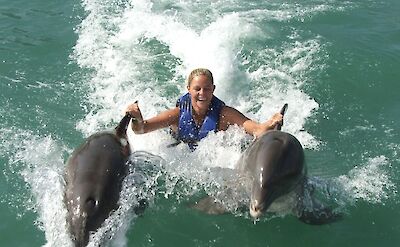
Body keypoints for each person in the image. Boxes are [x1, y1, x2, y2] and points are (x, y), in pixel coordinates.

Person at [125, 68, 283, 150]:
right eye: (197, 89)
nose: (202, 93)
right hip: (177, 148)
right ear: (188, 89)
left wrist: (269, 124)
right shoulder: (177, 114)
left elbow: (256, 129)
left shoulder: (224, 114)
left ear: (213, 89)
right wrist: (136, 118)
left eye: (207, 89)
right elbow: (141, 130)